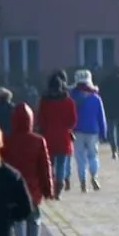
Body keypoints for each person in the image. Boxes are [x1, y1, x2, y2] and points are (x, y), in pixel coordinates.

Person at [2, 103, 54, 236]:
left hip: (13, 190)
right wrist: (48, 189)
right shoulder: (38, 141)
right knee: (34, 221)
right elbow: (45, 168)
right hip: (33, 189)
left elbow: (2, 167)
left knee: (18, 223)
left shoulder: (6, 142)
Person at [36, 70, 77, 199]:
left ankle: (51, 186)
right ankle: (59, 187)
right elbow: (73, 121)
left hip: (48, 137)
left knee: (50, 164)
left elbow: (40, 119)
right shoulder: (68, 101)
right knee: (61, 165)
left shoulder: (44, 101)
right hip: (63, 137)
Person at [70, 69, 108, 192]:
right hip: (93, 131)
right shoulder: (96, 98)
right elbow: (101, 117)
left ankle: (82, 181)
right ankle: (94, 176)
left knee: (80, 157)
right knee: (93, 155)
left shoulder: (72, 97)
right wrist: (103, 133)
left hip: (77, 130)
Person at [99, 65, 119, 159]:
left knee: (111, 129)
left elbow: (101, 94)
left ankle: (113, 150)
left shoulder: (106, 81)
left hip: (109, 109)